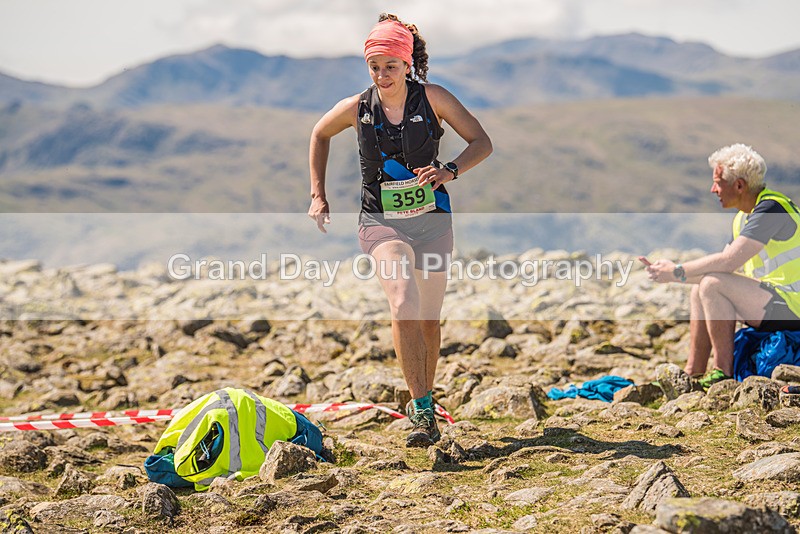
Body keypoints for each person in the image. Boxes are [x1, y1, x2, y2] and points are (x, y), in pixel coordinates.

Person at [307, 13, 492, 446]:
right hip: (380, 223)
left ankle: (425, 404)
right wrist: (318, 194)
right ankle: (422, 411)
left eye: (390, 65)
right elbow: (319, 133)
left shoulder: (434, 99)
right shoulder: (357, 107)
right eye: (374, 66)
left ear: (407, 64)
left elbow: (482, 142)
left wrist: (449, 171)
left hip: (432, 224)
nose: (382, 74)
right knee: (403, 301)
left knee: (428, 319)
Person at [646, 143, 800, 389]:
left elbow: (728, 262)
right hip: (775, 301)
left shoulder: (772, 208)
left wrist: (676, 270)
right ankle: (693, 372)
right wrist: (674, 276)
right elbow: (722, 268)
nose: (713, 189)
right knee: (702, 288)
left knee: (712, 285)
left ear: (739, 185)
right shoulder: (744, 217)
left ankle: (722, 373)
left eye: (718, 182)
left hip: (793, 305)